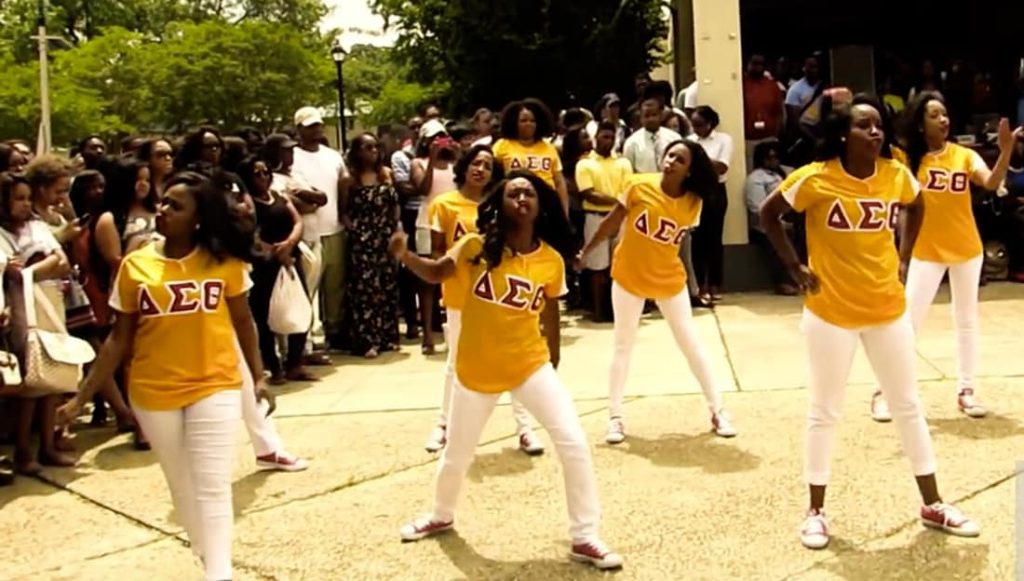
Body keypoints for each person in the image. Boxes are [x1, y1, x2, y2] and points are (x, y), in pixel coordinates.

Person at [758, 93, 979, 550]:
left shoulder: (896, 175)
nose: (875, 133)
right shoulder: (816, 179)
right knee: (824, 412)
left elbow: (917, 206)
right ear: (843, 135)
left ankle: (933, 503)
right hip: (830, 314)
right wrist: (795, 267)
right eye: (864, 126)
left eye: (879, 125)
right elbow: (769, 214)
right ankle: (815, 511)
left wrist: (904, 256)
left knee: (907, 406)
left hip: (887, 310)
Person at [392, 170, 622, 570]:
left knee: (573, 442)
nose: (520, 198)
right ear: (499, 204)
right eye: (512, 192)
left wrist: (553, 355)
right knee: (457, 456)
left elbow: (550, 308)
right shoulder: (475, 246)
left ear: (539, 206)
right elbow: (436, 272)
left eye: (528, 193)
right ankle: (441, 514)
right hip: (476, 369)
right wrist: (406, 256)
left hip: (528, 365)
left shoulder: (550, 260)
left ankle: (585, 536)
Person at [58, 171, 275, 581]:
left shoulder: (224, 262)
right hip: (153, 390)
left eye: (175, 205)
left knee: (212, 485)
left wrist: (259, 376)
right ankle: (206, 552)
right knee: (182, 484)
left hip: (215, 383)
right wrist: (80, 398)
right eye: (163, 202)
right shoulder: (135, 266)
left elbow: (244, 321)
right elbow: (117, 341)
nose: (163, 209)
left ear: (198, 217)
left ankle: (219, 571)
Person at [870, 92, 1022, 422]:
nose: (944, 120)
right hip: (926, 251)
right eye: (935, 115)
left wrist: (1006, 149)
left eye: (945, 114)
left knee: (966, 321)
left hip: (967, 249)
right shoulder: (906, 158)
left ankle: (966, 391)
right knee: (908, 322)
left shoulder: (963, 155)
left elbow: (993, 182)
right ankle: (885, 391)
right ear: (921, 125)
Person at [578, 140, 736, 444]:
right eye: (670, 154)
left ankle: (718, 410)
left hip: (668, 279)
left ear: (690, 170)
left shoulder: (693, 202)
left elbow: (683, 244)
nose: (671, 161)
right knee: (623, 345)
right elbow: (612, 222)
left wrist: (695, 281)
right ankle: (615, 417)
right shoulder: (638, 185)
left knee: (690, 343)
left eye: (680, 159)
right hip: (628, 276)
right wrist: (586, 251)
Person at [422, 146, 542, 455]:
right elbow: (438, 250)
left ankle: (525, 428)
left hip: (498, 295)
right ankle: (444, 425)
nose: (480, 169)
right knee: (455, 364)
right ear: (464, 167)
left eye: (487, 165)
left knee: (514, 360)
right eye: (476, 162)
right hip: (461, 293)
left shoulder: (497, 205)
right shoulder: (443, 204)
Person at [341, 133, 401, 358]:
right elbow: (344, 211)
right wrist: (356, 233)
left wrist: (395, 231)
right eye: (367, 147)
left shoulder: (386, 175)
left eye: (376, 146)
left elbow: (395, 207)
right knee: (365, 290)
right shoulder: (349, 179)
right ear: (357, 151)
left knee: (387, 286)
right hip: (362, 240)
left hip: (385, 236)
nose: (373, 151)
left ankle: (387, 336)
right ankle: (367, 340)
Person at [576, 121, 634, 322]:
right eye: (604, 136)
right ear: (596, 138)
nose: (607, 140)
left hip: (620, 218)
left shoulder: (624, 163)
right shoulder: (584, 164)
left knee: (619, 267)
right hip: (595, 217)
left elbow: (629, 188)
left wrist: (620, 203)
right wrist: (618, 201)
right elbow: (589, 194)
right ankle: (598, 311)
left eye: (611, 137)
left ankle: (618, 311)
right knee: (597, 268)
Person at [492, 99, 570, 213]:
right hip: (516, 204)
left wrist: (564, 211)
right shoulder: (501, 145)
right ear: (514, 122)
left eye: (532, 121)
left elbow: (559, 182)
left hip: (547, 205)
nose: (529, 124)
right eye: (523, 120)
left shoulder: (548, 147)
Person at [689, 106, 733, 302]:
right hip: (695, 191)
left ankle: (715, 283)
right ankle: (700, 284)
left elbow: (722, 167)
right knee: (697, 239)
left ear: (710, 124)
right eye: (693, 124)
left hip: (715, 191)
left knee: (714, 238)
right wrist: (705, 163)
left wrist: (699, 159)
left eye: (699, 125)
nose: (695, 128)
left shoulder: (724, 139)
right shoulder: (690, 141)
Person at [745, 140, 799, 295]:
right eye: (769, 158)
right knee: (780, 236)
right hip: (766, 223)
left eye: (776, 157)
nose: (773, 161)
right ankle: (783, 281)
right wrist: (780, 222)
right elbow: (757, 207)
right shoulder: (756, 178)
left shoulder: (787, 172)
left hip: (792, 217)